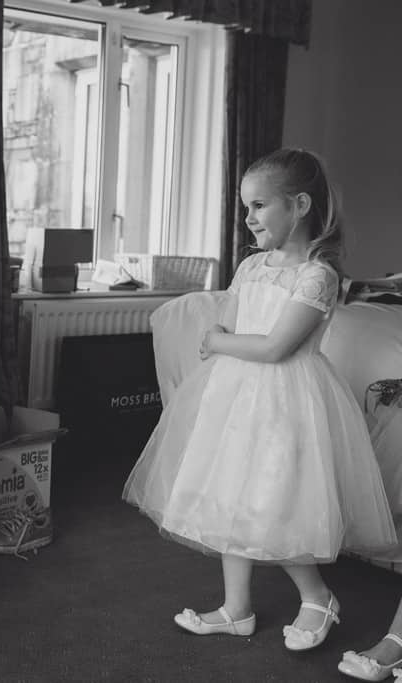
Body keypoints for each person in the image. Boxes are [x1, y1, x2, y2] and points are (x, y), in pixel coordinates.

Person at [123, 148, 397, 651]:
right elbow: (229, 323)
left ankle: (318, 598)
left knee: (272, 501)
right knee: (230, 495)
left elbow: (273, 347)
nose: (248, 218)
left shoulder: (317, 275)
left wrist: (218, 342)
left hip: (285, 400)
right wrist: (221, 338)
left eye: (259, 206)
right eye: (245, 207)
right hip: (235, 397)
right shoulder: (250, 267)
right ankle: (236, 609)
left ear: (299, 205)